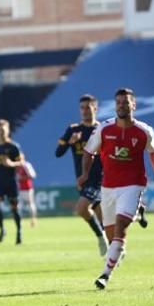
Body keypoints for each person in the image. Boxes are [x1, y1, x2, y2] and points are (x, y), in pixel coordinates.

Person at [80, 88, 154, 290]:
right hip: (108, 188)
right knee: (112, 235)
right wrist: (85, 174)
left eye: (126, 102)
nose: (122, 105)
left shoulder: (144, 131)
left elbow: (153, 152)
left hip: (133, 184)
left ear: (133, 105)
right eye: (119, 102)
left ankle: (104, 275)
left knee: (121, 227)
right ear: (115, 106)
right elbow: (88, 152)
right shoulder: (104, 129)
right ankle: (135, 217)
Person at [56, 94, 108, 256]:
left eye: (88, 107)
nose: (85, 111)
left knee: (81, 208)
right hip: (82, 180)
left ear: (95, 108)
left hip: (99, 179)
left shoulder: (102, 129)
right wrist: (70, 142)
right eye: (82, 108)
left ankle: (101, 238)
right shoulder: (73, 130)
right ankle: (114, 247)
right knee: (103, 220)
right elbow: (58, 152)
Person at [15, 154, 37, 227]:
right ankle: (20, 221)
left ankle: (33, 219)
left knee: (30, 204)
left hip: (28, 188)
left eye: (19, 159)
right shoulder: (16, 167)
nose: (18, 161)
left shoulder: (26, 165)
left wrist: (22, 178)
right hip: (19, 189)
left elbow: (32, 175)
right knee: (18, 206)